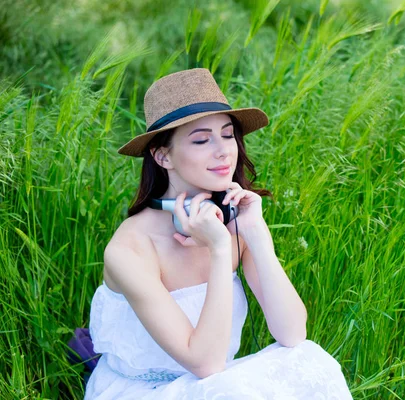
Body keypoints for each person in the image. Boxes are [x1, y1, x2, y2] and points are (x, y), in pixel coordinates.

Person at [83, 68, 353, 399]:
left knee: (313, 362)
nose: (224, 150)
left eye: (227, 135)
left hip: (217, 383)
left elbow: (293, 332)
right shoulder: (130, 249)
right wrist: (220, 249)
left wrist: (255, 233)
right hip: (147, 390)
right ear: (162, 155)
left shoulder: (233, 217)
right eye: (201, 139)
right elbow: (206, 363)